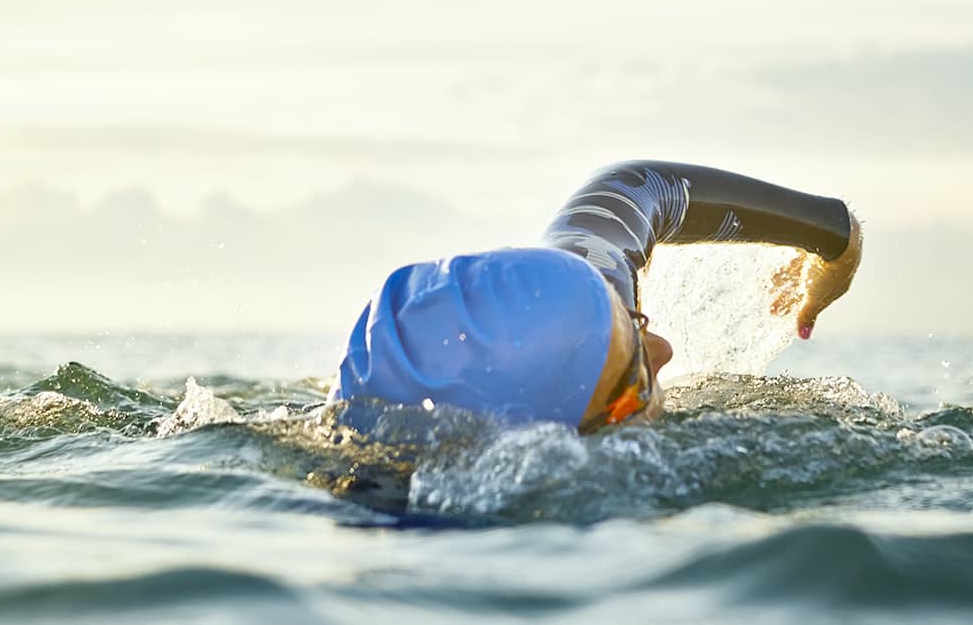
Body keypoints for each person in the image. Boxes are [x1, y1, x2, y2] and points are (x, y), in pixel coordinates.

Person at [336, 160, 861, 433]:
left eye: (634, 320)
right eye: (632, 389)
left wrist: (839, 243)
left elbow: (635, 186)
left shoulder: (584, 298)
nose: (664, 352)